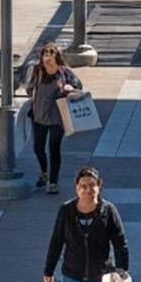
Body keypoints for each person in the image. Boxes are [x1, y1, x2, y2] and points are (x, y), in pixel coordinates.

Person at [23, 42, 84, 195]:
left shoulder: (64, 73)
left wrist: (70, 89)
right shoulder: (36, 71)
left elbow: (78, 85)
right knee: (38, 148)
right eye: (45, 54)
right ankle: (44, 171)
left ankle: (53, 182)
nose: (48, 58)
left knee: (54, 149)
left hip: (58, 116)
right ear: (42, 57)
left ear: (57, 57)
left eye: (52, 54)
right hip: (39, 115)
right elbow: (28, 88)